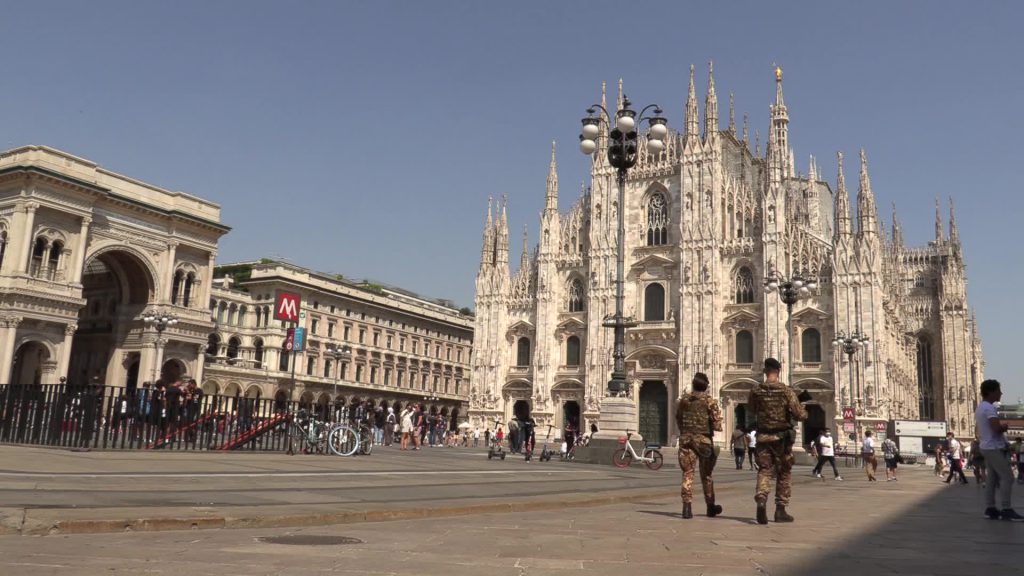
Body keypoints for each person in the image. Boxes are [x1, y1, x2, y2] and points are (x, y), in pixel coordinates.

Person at [747, 357, 808, 524]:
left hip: (763, 437)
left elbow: (751, 409)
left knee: (764, 470)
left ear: (765, 371)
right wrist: (803, 409)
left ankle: (761, 499)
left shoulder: (756, 390)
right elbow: (800, 415)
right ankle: (780, 510)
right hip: (781, 439)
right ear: (778, 371)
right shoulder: (786, 391)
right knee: (783, 472)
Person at [676, 372, 723, 519]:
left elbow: (678, 418)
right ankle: (710, 506)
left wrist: (686, 431)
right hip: (704, 442)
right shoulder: (710, 402)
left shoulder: (684, 400)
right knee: (706, 475)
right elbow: (717, 424)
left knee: (688, 474)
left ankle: (687, 508)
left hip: (686, 440)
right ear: (706, 386)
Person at [976, 379, 1023, 521]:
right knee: (1007, 477)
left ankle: (990, 508)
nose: (1001, 393)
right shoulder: (989, 408)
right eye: (998, 390)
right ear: (991, 392)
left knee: (992, 478)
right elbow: (995, 428)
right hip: (993, 447)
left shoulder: (981, 407)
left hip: (986, 446)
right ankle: (1006, 508)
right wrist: (1004, 427)